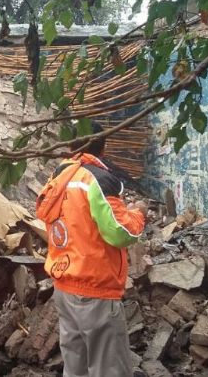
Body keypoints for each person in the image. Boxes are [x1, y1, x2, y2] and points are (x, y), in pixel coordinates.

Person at [36, 122, 147, 377]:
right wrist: (139, 213)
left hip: (64, 287)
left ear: (71, 145)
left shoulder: (58, 177)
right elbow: (120, 233)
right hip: (95, 291)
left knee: (75, 367)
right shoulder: (98, 180)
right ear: (103, 147)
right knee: (110, 370)